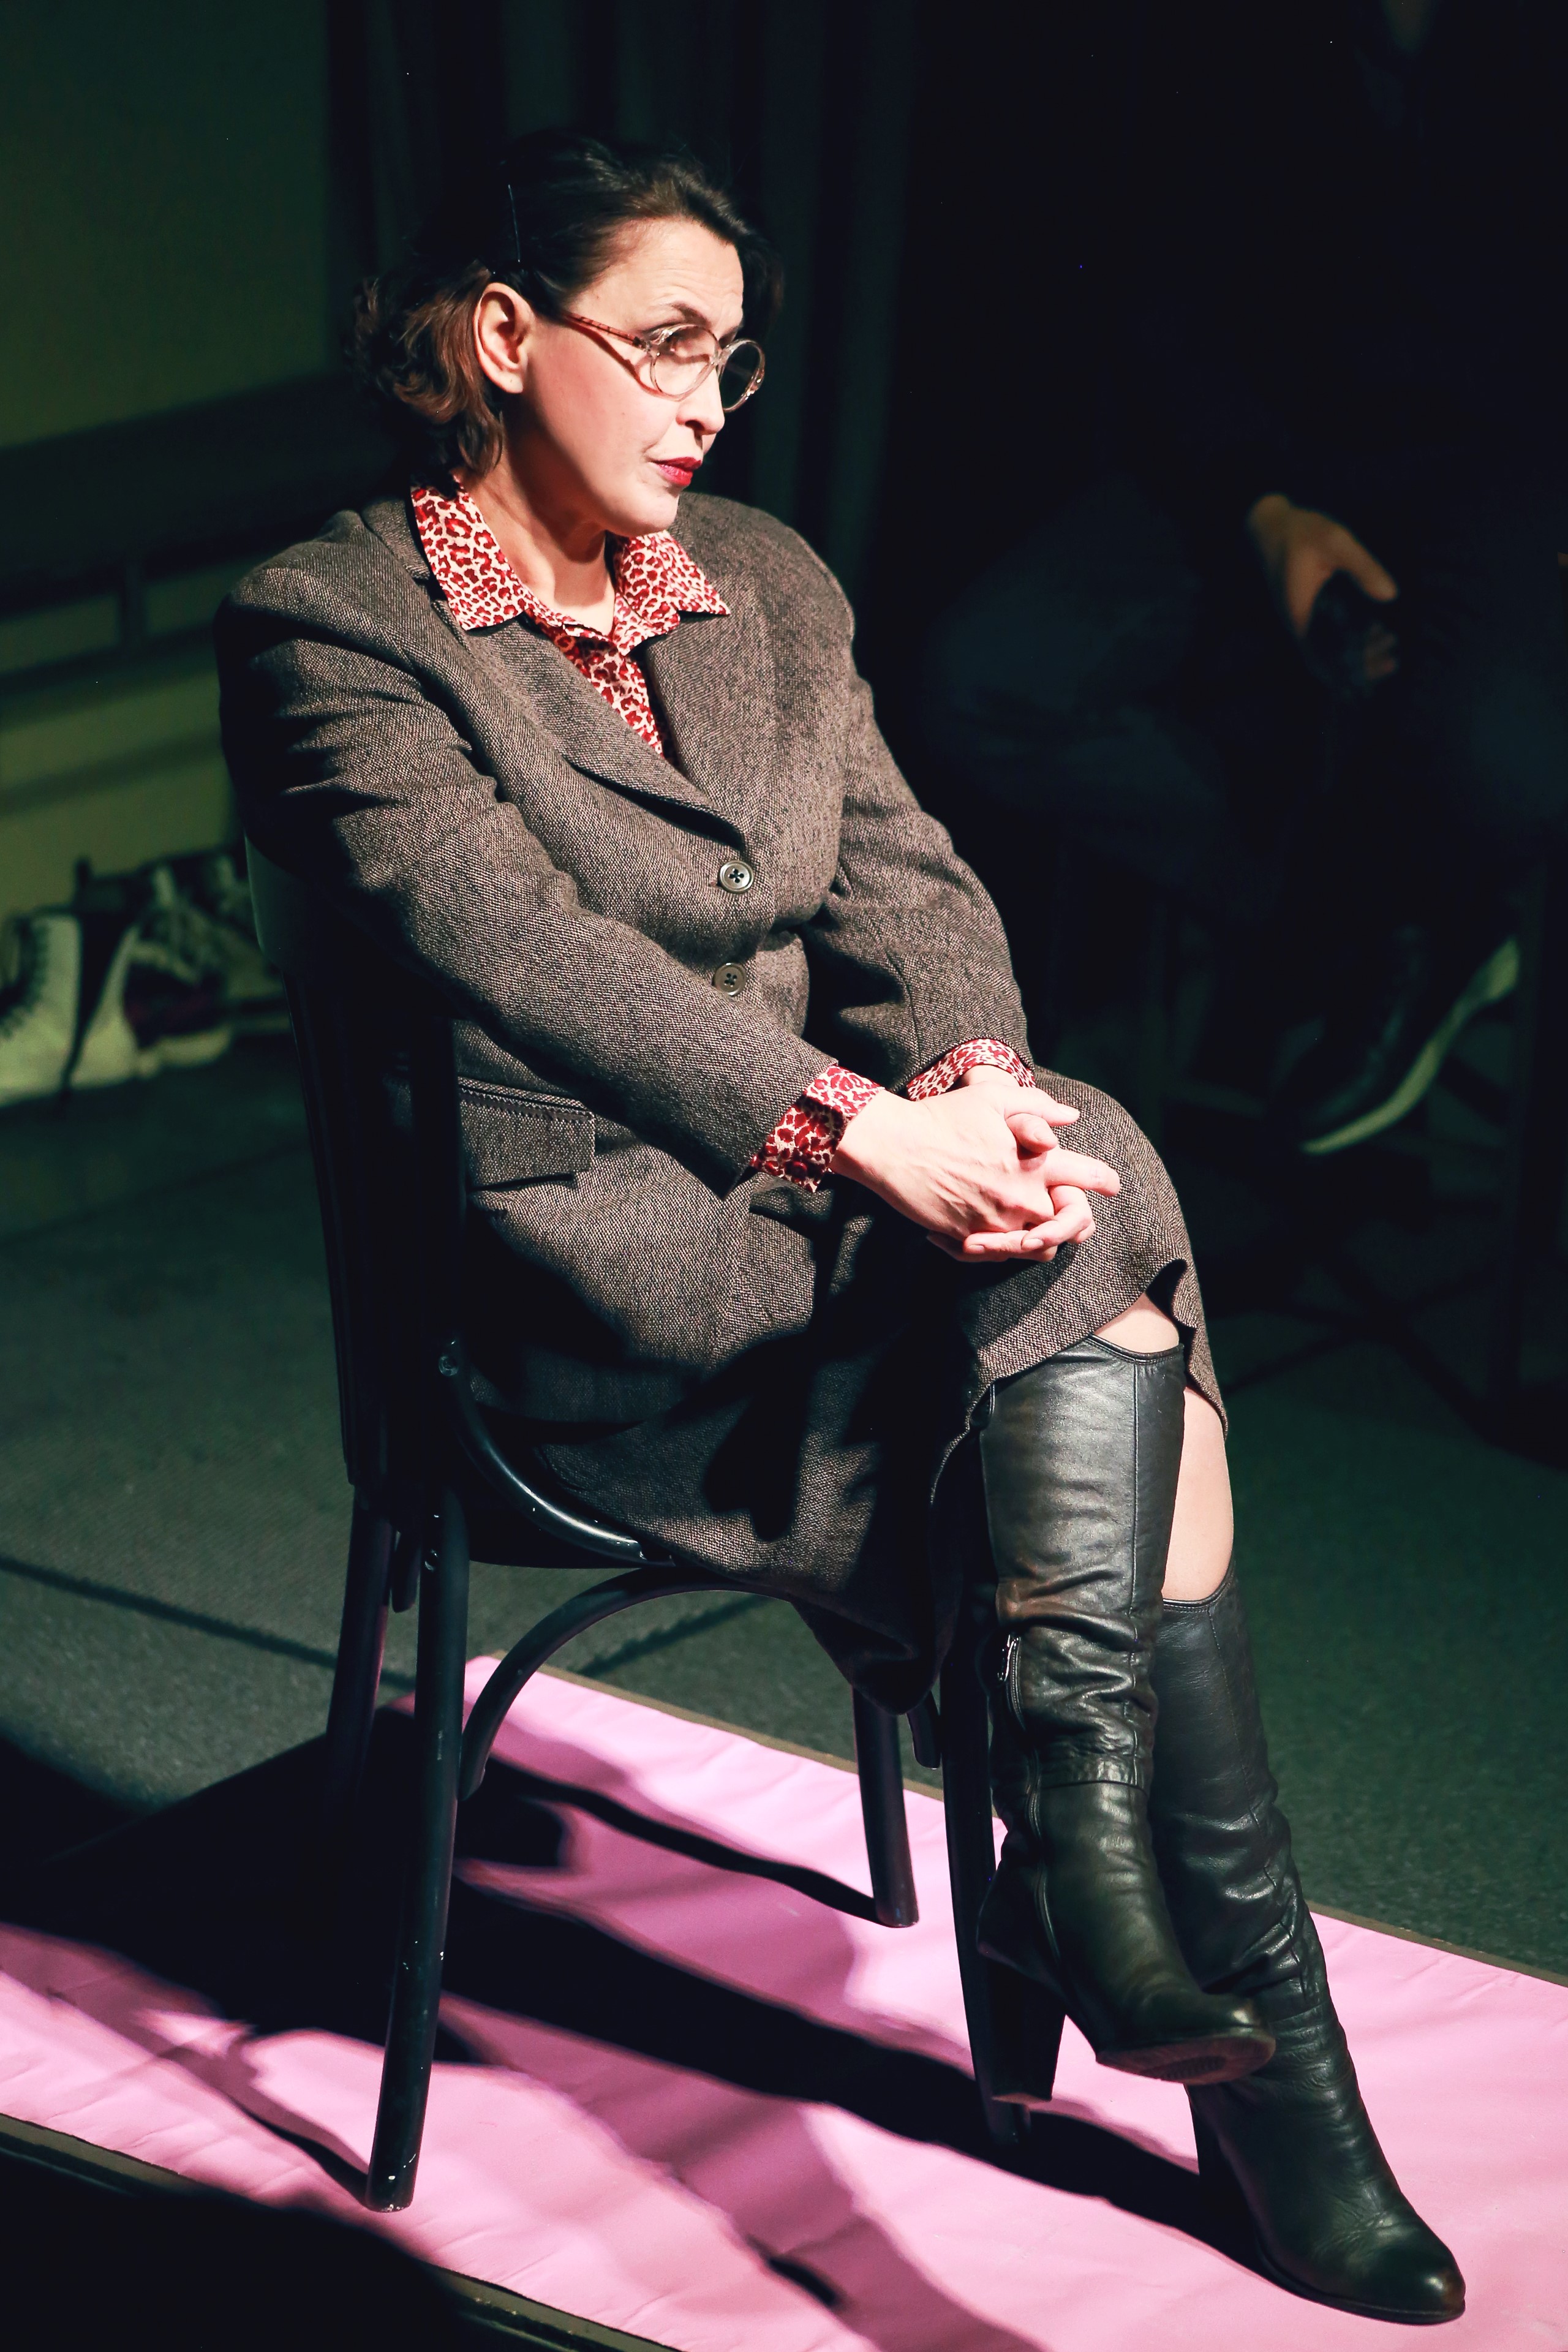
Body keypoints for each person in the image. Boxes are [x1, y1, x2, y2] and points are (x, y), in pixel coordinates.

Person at [217, 129, 1462, 2321]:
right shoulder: (334, 625)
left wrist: (970, 1087)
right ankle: (1201, 1998)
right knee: (1117, 1281)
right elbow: (518, 948)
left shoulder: (765, 583)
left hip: (834, 1240)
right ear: (500, 337)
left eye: (735, 356)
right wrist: (855, 1131)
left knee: (1078, 1176)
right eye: (663, 343)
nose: (708, 399)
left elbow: (908, 879)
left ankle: (1101, 1874)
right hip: (581, 1294)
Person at [924, 0, 1568, 1155]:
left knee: (1503, 755)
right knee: (984, 676)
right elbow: (1165, 296)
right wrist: (1265, 514)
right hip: (1265, 455)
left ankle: (1396, 921)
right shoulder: (1253, 42)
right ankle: (1338, 921)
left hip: (1500, 482)